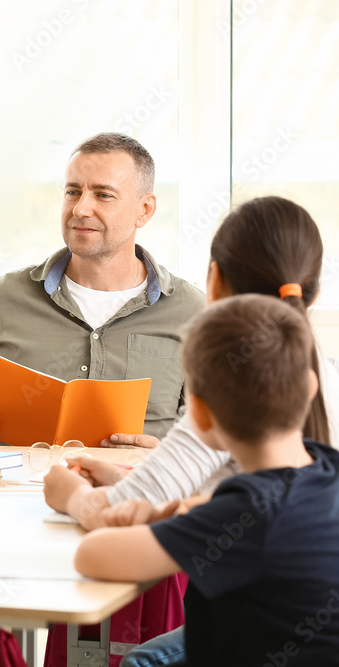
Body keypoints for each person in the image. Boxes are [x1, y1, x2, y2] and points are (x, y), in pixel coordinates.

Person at [45, 196, 339, 665]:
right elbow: (222, 504)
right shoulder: (326, 470)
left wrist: (72, 496)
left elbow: (94, 550)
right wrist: (175, 506)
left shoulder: (238, 514)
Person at [0, 132, 204, 446]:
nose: (81, 208)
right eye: (73, 191)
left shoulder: (194, 313)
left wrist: (161, 457)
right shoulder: (3, 298)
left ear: (145, 209)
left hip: (132, 493)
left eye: (103, 195)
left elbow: (215, 443)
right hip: (12, 492)